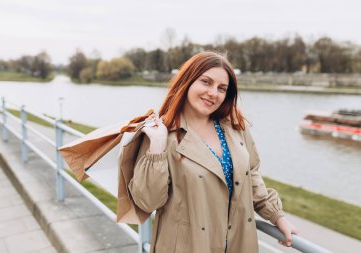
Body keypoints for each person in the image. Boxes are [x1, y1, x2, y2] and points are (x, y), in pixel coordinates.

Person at [128, 51, 298, 253]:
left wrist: (277, 216)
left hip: (237, 244)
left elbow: (251, 176)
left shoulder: (236, 129)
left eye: (222, 88)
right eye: (206, 82)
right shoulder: (162, 133)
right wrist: (156, 149)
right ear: (188, 80)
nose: (213, 93)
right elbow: (148, 201)